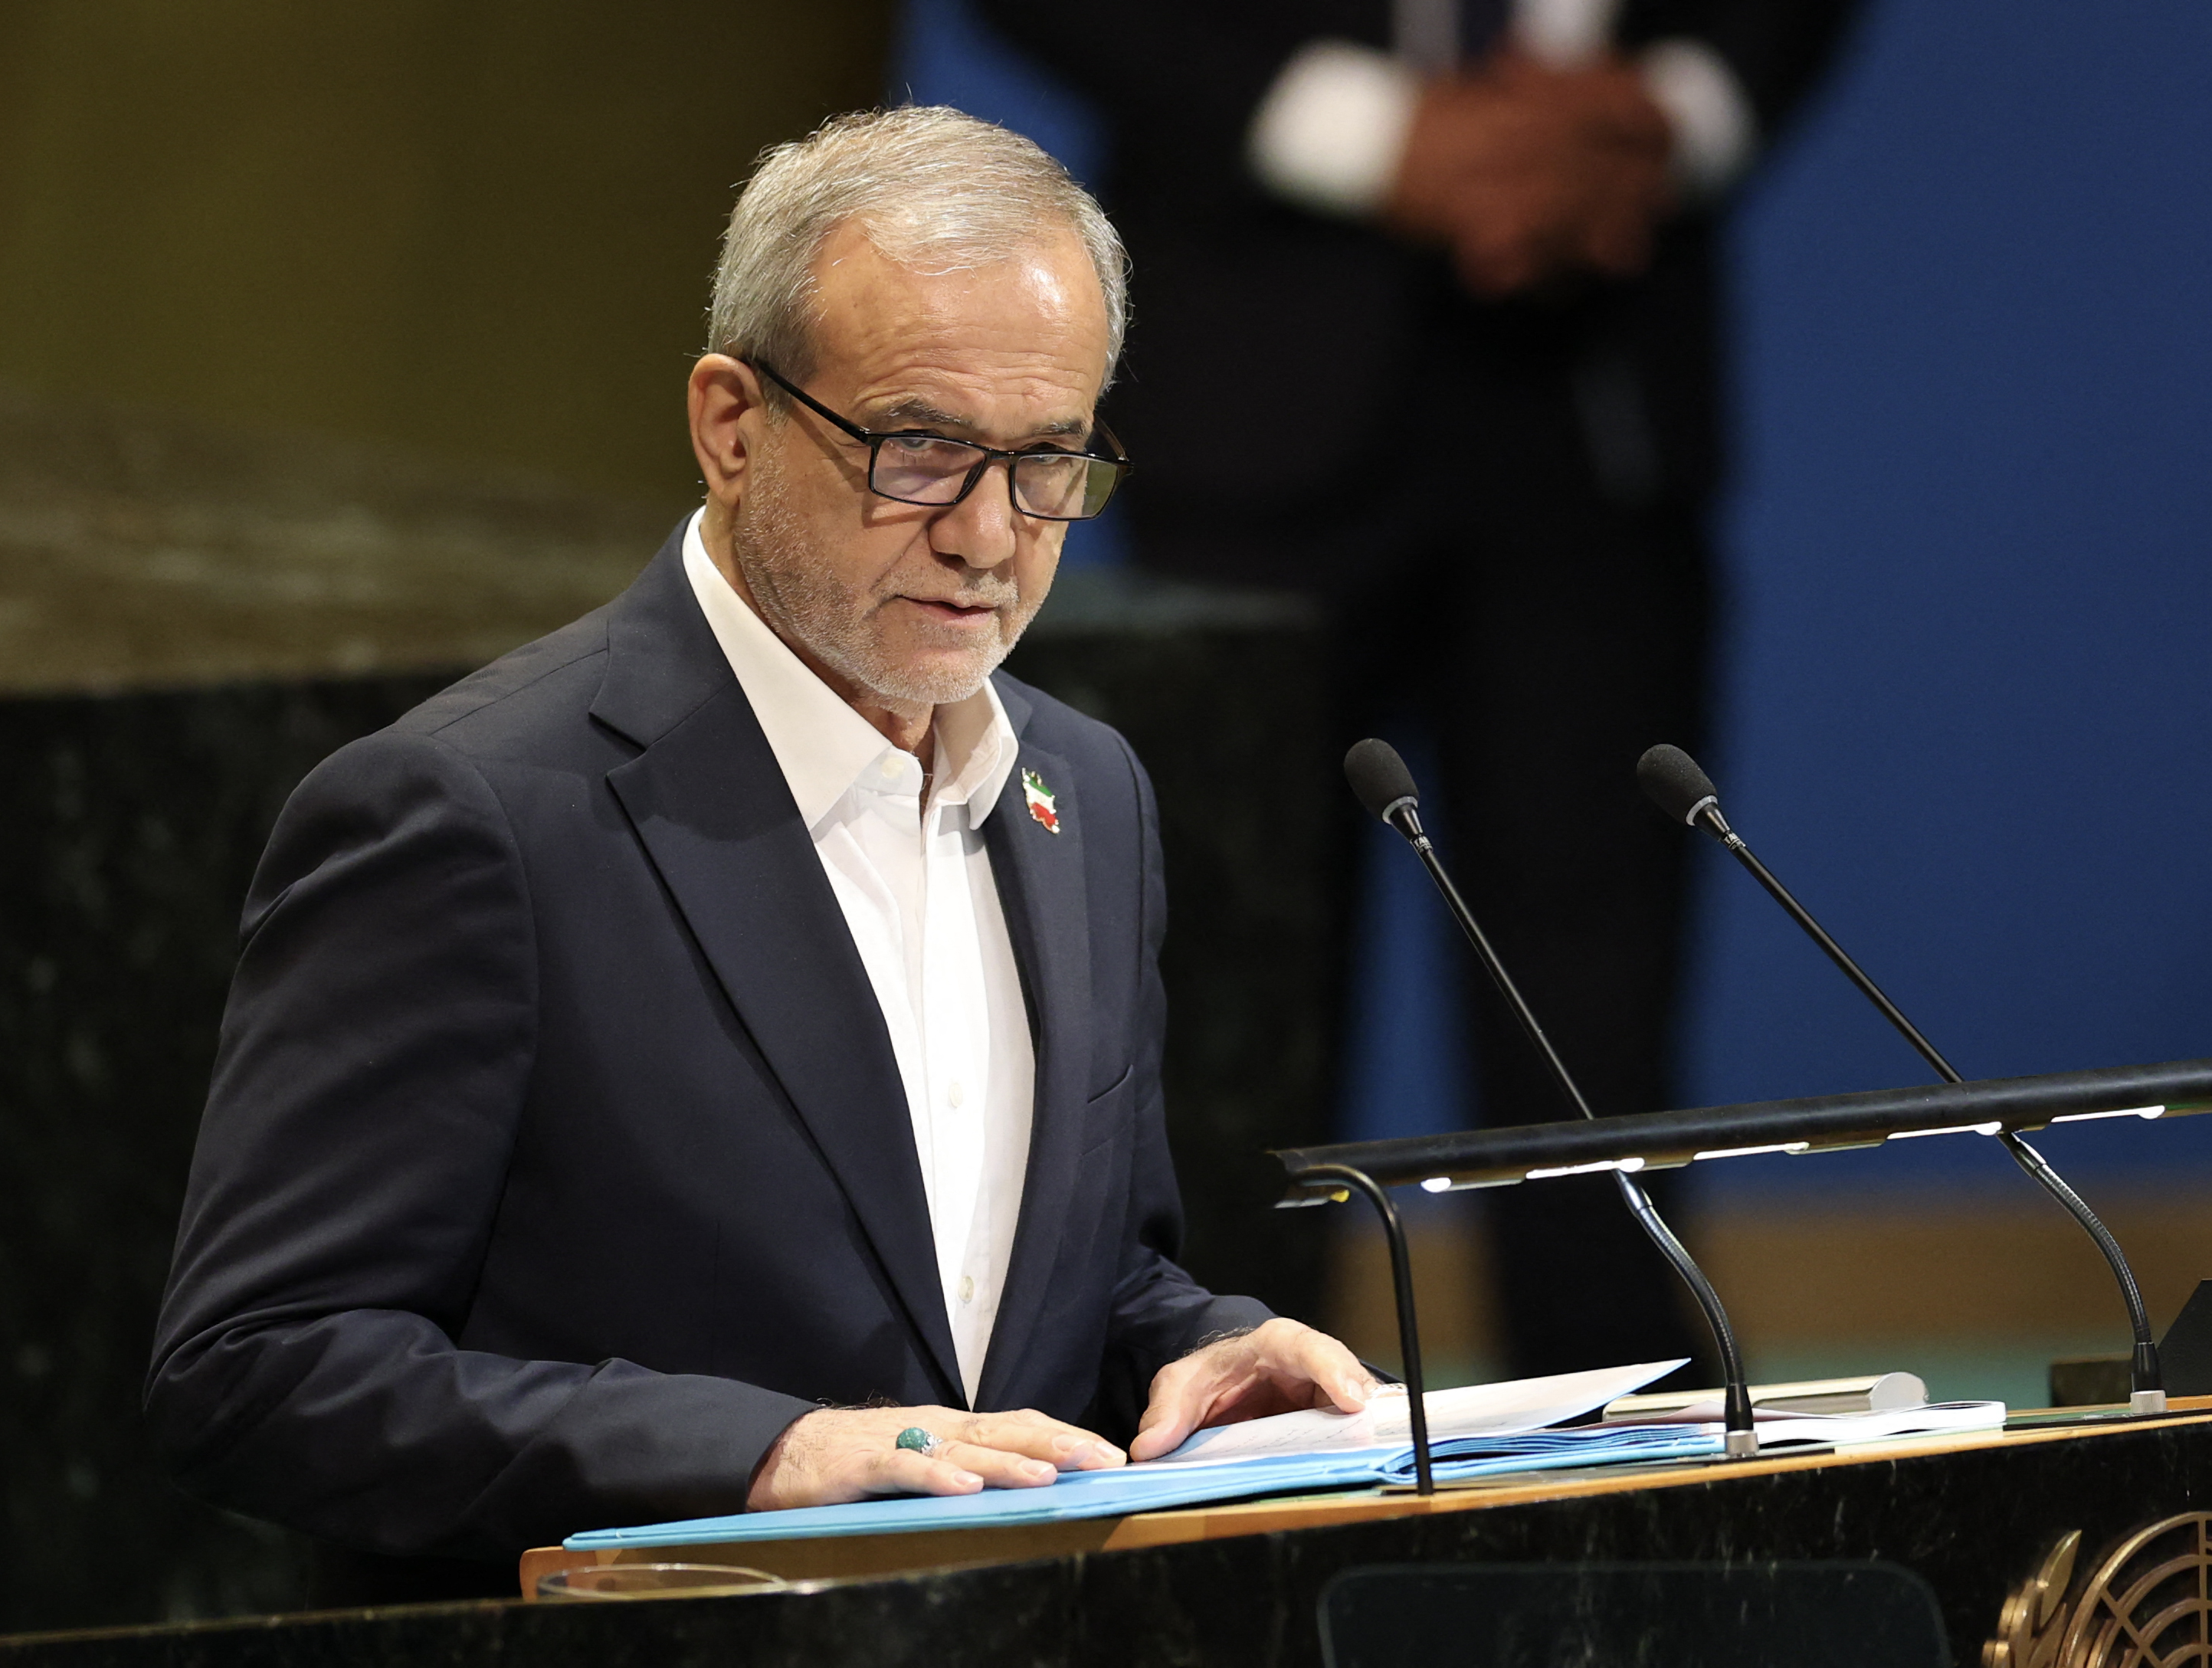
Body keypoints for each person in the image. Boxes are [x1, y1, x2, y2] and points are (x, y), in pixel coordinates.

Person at [144, 107, 1371, 1590]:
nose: (992, 535)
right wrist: (757, 1457)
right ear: (732, 423)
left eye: (1049, 457)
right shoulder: (470, 818)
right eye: (921, 451)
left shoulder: (1083, 792)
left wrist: (1209, 1346)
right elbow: (259, 1371)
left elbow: (1060, 1277)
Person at [973, 0, 1859, 1376]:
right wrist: (1368, 132)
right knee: (1217, 1016)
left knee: (1597, 1023)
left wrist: (1659, 120)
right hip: (1250, 383)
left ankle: (1625, 1523)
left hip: (1597, 389)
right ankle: (1216, 1479)